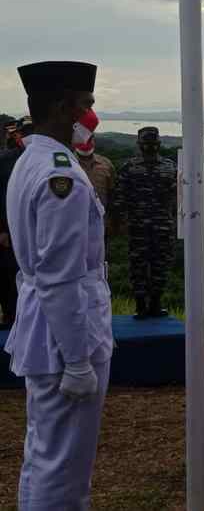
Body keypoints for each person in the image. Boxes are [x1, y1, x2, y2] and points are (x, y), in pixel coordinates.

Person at [5, 61, 112, 509]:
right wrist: (77, 360)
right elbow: (60, 277)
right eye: (85, 104)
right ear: (61, 107)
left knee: (47, 455)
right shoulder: (58, 174)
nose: (90, 114)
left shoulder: (32, 160)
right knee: (63, 467)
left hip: (48, 327)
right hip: (64, 336)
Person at [113, 127, 177, 319]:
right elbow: (119, 197)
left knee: (159, 265)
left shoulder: (170, 167)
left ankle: (154, 304)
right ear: (140, 145)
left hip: (160, 225)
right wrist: (121, 221)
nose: (150, 147)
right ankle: (142, 305)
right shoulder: (129, 167)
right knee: (140, 265)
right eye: (147, 143)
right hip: (140, 226)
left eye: (152, 143)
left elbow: (178, 195)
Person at [0, 116, 33, 329]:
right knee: (9, 278)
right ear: (18, 134)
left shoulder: (46, 159)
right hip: (9, 232)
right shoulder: (4, 160)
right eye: (26, 132)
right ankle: (10, 319)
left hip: (37, 231)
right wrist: (1, 229)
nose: (29, 137)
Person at [76, 135, 116, 211]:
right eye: (81, 139)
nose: (85, 142)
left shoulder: (106, 163)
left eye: (89, 139)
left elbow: (112, 191)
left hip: (103, 214)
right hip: (77, 214)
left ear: (94, 140)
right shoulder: (69, 163)